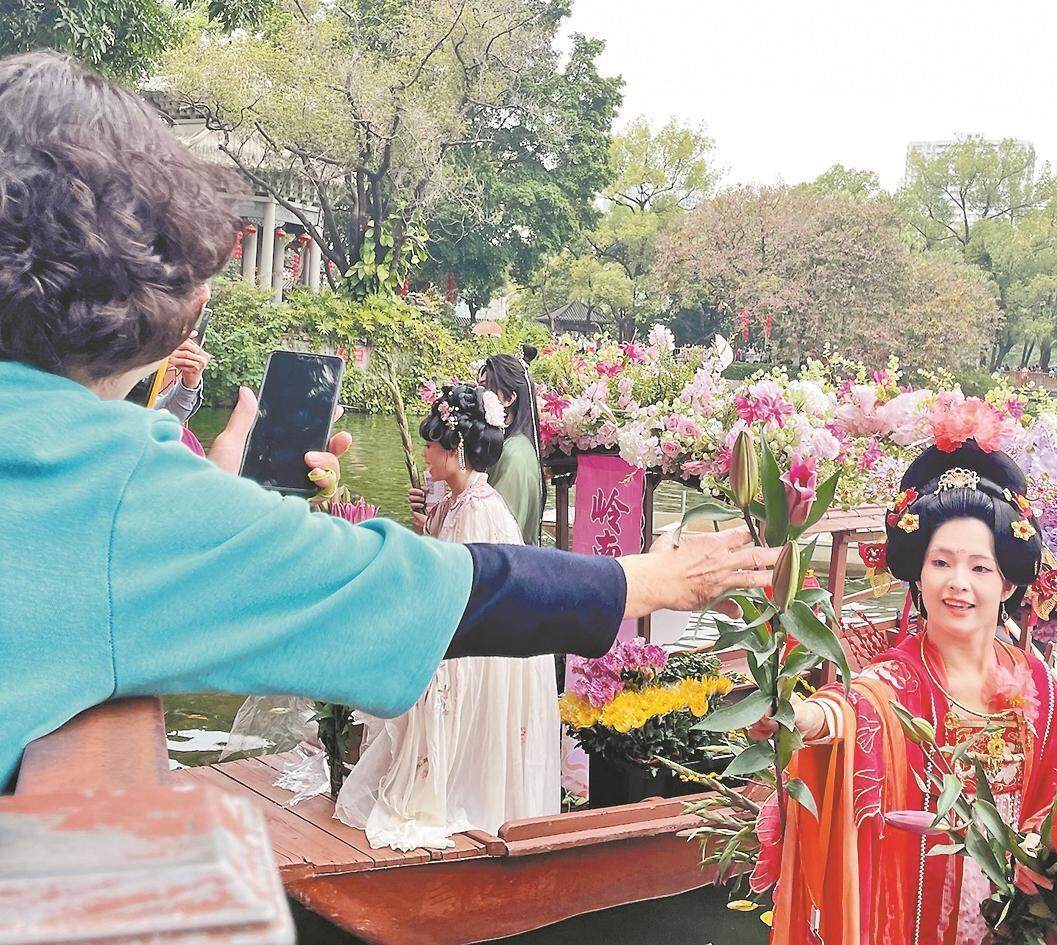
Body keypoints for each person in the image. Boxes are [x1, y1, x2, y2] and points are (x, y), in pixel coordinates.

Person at [0, 51, 775, 792]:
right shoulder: (105, 485)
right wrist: (644, 579)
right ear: (152, 296)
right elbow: (410, 587)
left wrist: (216, 468)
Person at [750, 438, 1057, 945]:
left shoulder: (1041, 684)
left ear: (1008, 584)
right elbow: (853, 711)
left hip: (1012, 912)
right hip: (911, 910)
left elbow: (1056, 790)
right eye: (941, 563)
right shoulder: (896, 679)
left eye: (980, 567)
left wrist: (1038, 846)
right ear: (918, 575)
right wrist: (803, 719)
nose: (957, 583)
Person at [336, 382, 558, 848]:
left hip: (475, 640)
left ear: (455, 451)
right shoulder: (460, 500)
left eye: (433, 445)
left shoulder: (478, 509)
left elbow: (463, 593)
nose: (426, 453)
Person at [476, 347, 546, 547]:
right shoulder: (509, 446)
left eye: (486, 388)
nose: (479, 396)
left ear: (508, 398)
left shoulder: (514, 456)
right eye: (478, 388)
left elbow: (494, 535)